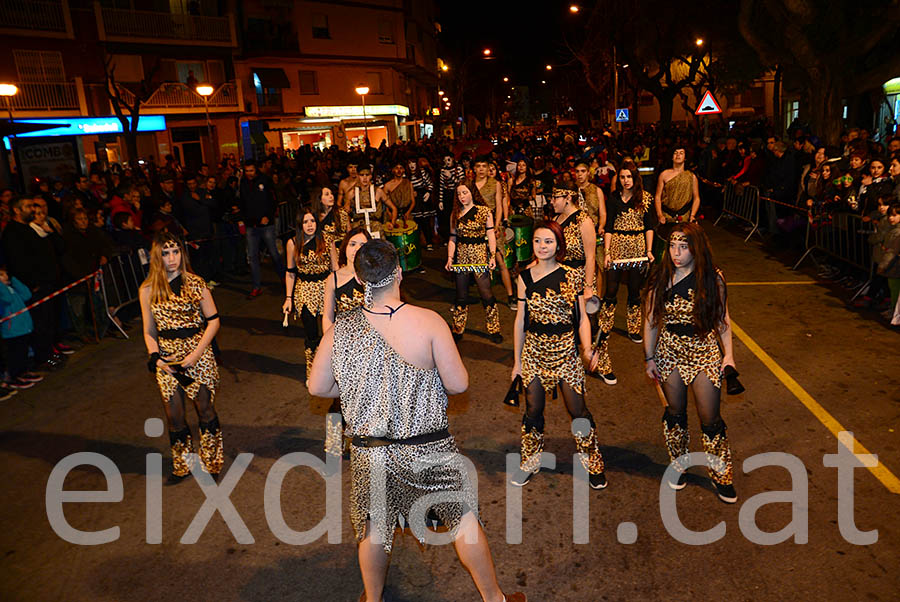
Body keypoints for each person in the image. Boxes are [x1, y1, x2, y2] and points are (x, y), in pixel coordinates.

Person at [308, 239, 525, 602]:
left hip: (371, 451)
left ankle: (373, 599)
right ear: (398, 272)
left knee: (375, 525)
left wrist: (361, 386)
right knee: (462, 517)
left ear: (361, 280)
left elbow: (318, 387)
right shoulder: (428, 321)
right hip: (428, 446)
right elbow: (458, 384)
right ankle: (494, 599)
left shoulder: (339, 330)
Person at [643, 223, 737, 503]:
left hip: (703, 349)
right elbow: (650, 320)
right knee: (675, 413)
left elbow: (722, 320)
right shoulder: (660, 276)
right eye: (672, 246)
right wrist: (649, 357)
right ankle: (679, 465)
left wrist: (728, 355)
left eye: (683, 247)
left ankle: (721, 474)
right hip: (669, 350)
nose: (676, 252)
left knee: (710, 418)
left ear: (696, 248)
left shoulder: (712, 278)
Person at [509, 221, 604, 488]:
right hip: (535, 351)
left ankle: (592, 461)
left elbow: (582, 318)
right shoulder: (524, 277)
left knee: (578, 411)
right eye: (537, 241)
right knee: (533, 410)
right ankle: (530, 460)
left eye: (548, 241)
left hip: (565, 350)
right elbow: (520, 321)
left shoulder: (572, 275)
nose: (542, 246)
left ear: (558, 244)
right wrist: (517, 362)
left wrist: (586, 349)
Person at [139, 233, 223, 482]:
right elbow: (148, 330)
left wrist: (196, 354)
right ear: (157, 257)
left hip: (198, 354)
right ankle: (183, 464)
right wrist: (155, 357)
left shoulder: (196, 282)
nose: (172, 258)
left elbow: (213, 320)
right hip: (167, 360)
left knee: (205, 410)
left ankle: (212, 461)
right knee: (174, 416)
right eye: (165, 253)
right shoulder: (147, 289)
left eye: (175, 251)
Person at [595, 162, 655, 385]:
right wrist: (608, 252)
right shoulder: (613, 198)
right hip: (618, 246)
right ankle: (606, 325)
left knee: (633, 290)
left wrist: (648, 251)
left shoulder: (645, 198)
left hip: (638, 247)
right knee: (610, 290)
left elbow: (649, 226)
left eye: (629, 176)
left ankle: (633, 327)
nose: (626, 180)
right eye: (622, 177)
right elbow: (609, 225)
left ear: (635, 178)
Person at [321, 226, 372, 461]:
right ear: (345, 248)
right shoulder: (333, 278)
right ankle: (334, 443)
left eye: (362, 245)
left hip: (370, 345)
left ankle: (363, 442)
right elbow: (327, 316)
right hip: (343, 345)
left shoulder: (374, 276)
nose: (356, 249)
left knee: (368, 396)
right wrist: (331, 345)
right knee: (339, 399)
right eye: (352, 244)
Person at [446, 181, 502, 344]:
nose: (462, 197)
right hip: (462, 258)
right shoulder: (455, 214)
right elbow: (452, 238)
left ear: (472, 193)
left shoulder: (484, 212)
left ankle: (494, 328)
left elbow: (490, 235)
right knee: (461, 295)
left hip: (480, 257)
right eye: (459, 194)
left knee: (486, 294)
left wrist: (492, 256)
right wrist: (450, 258)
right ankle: (458, 328)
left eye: (465, 193)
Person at [283, 208, 333, 374]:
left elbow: (335, 269)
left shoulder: (326, 239)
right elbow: (290, 272)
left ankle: (333, 366)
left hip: (326, 288)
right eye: (305, 222)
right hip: (304, 291)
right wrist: (288, 298)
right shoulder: (293, 243)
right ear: (300, 225)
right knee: (311, 333)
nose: (310, 225)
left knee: (331, 331)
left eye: (312, 221)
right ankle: (313, 370)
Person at [240, 160, 284, 299]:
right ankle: (256, 286)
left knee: (274, 253)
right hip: (250, 226)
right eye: (246, 171)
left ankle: (284, 278)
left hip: (266, 225)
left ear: (256, 170)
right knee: (253, 257)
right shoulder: (243, 182)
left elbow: (272, 200)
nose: (249, 174)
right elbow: (243, 201)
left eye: (251, 171)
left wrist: (267, 216)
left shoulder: (265, 180)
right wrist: (242, 218)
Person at [474, 157, 515, 307]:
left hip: (493, 226)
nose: (481, 169)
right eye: (478, 166)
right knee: (478, 262)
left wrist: (496, 226)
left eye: (484, 166)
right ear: (474, 169)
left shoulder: (496, 184)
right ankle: (486, 297)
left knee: (500, 261)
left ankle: (511, 296)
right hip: (476, 227)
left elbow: (498, 205)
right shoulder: (470, 185)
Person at [0, 267, 44, 390]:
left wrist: (14, 280)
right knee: (15, 355)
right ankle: (14, 377)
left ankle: (23, 372)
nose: (4, 276)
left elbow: (27, 294)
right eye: (0, 275)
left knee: (23, 353)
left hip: (23, 327)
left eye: (4, 274)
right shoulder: (3, 292)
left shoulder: (11, 288)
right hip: (11, 330)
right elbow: (7, 298)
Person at [551, 187, 597, 302]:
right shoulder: (555, 219)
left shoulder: (584, 221)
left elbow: (590, 257)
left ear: (568, 198)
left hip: (578, 279)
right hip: (558, 278)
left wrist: (588, 287)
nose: (552, 201)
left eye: (555, 198)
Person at [348, 164, 393, 236]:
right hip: (358, 227)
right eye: (362, 175)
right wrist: (349, 228)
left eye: (367, 175)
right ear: (358, 176)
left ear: (371, 176)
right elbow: (345, 213)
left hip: (376, 226)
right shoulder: (352, 193)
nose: (365, 178)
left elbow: (393, 208)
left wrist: (391, 222)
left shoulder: (378, 191)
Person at [312, 186, 349, 269]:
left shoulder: (341, 212)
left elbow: (349, 233)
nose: (331, 196)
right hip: (324, 252)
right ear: (320, 199)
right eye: (327, 194)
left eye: (331, 194)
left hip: (341, 250)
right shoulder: (314, 217)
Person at [383, 161, 414, 228]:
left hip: (406, 214)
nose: (399, 170)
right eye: (396, 168)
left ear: (404, 170)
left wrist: (408, 212)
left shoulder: (408, 183)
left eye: (401, 168)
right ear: (393, 170)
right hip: (392, 215)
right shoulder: (387, 185)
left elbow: (413, 201)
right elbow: (385, 204)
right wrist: (389, 214)